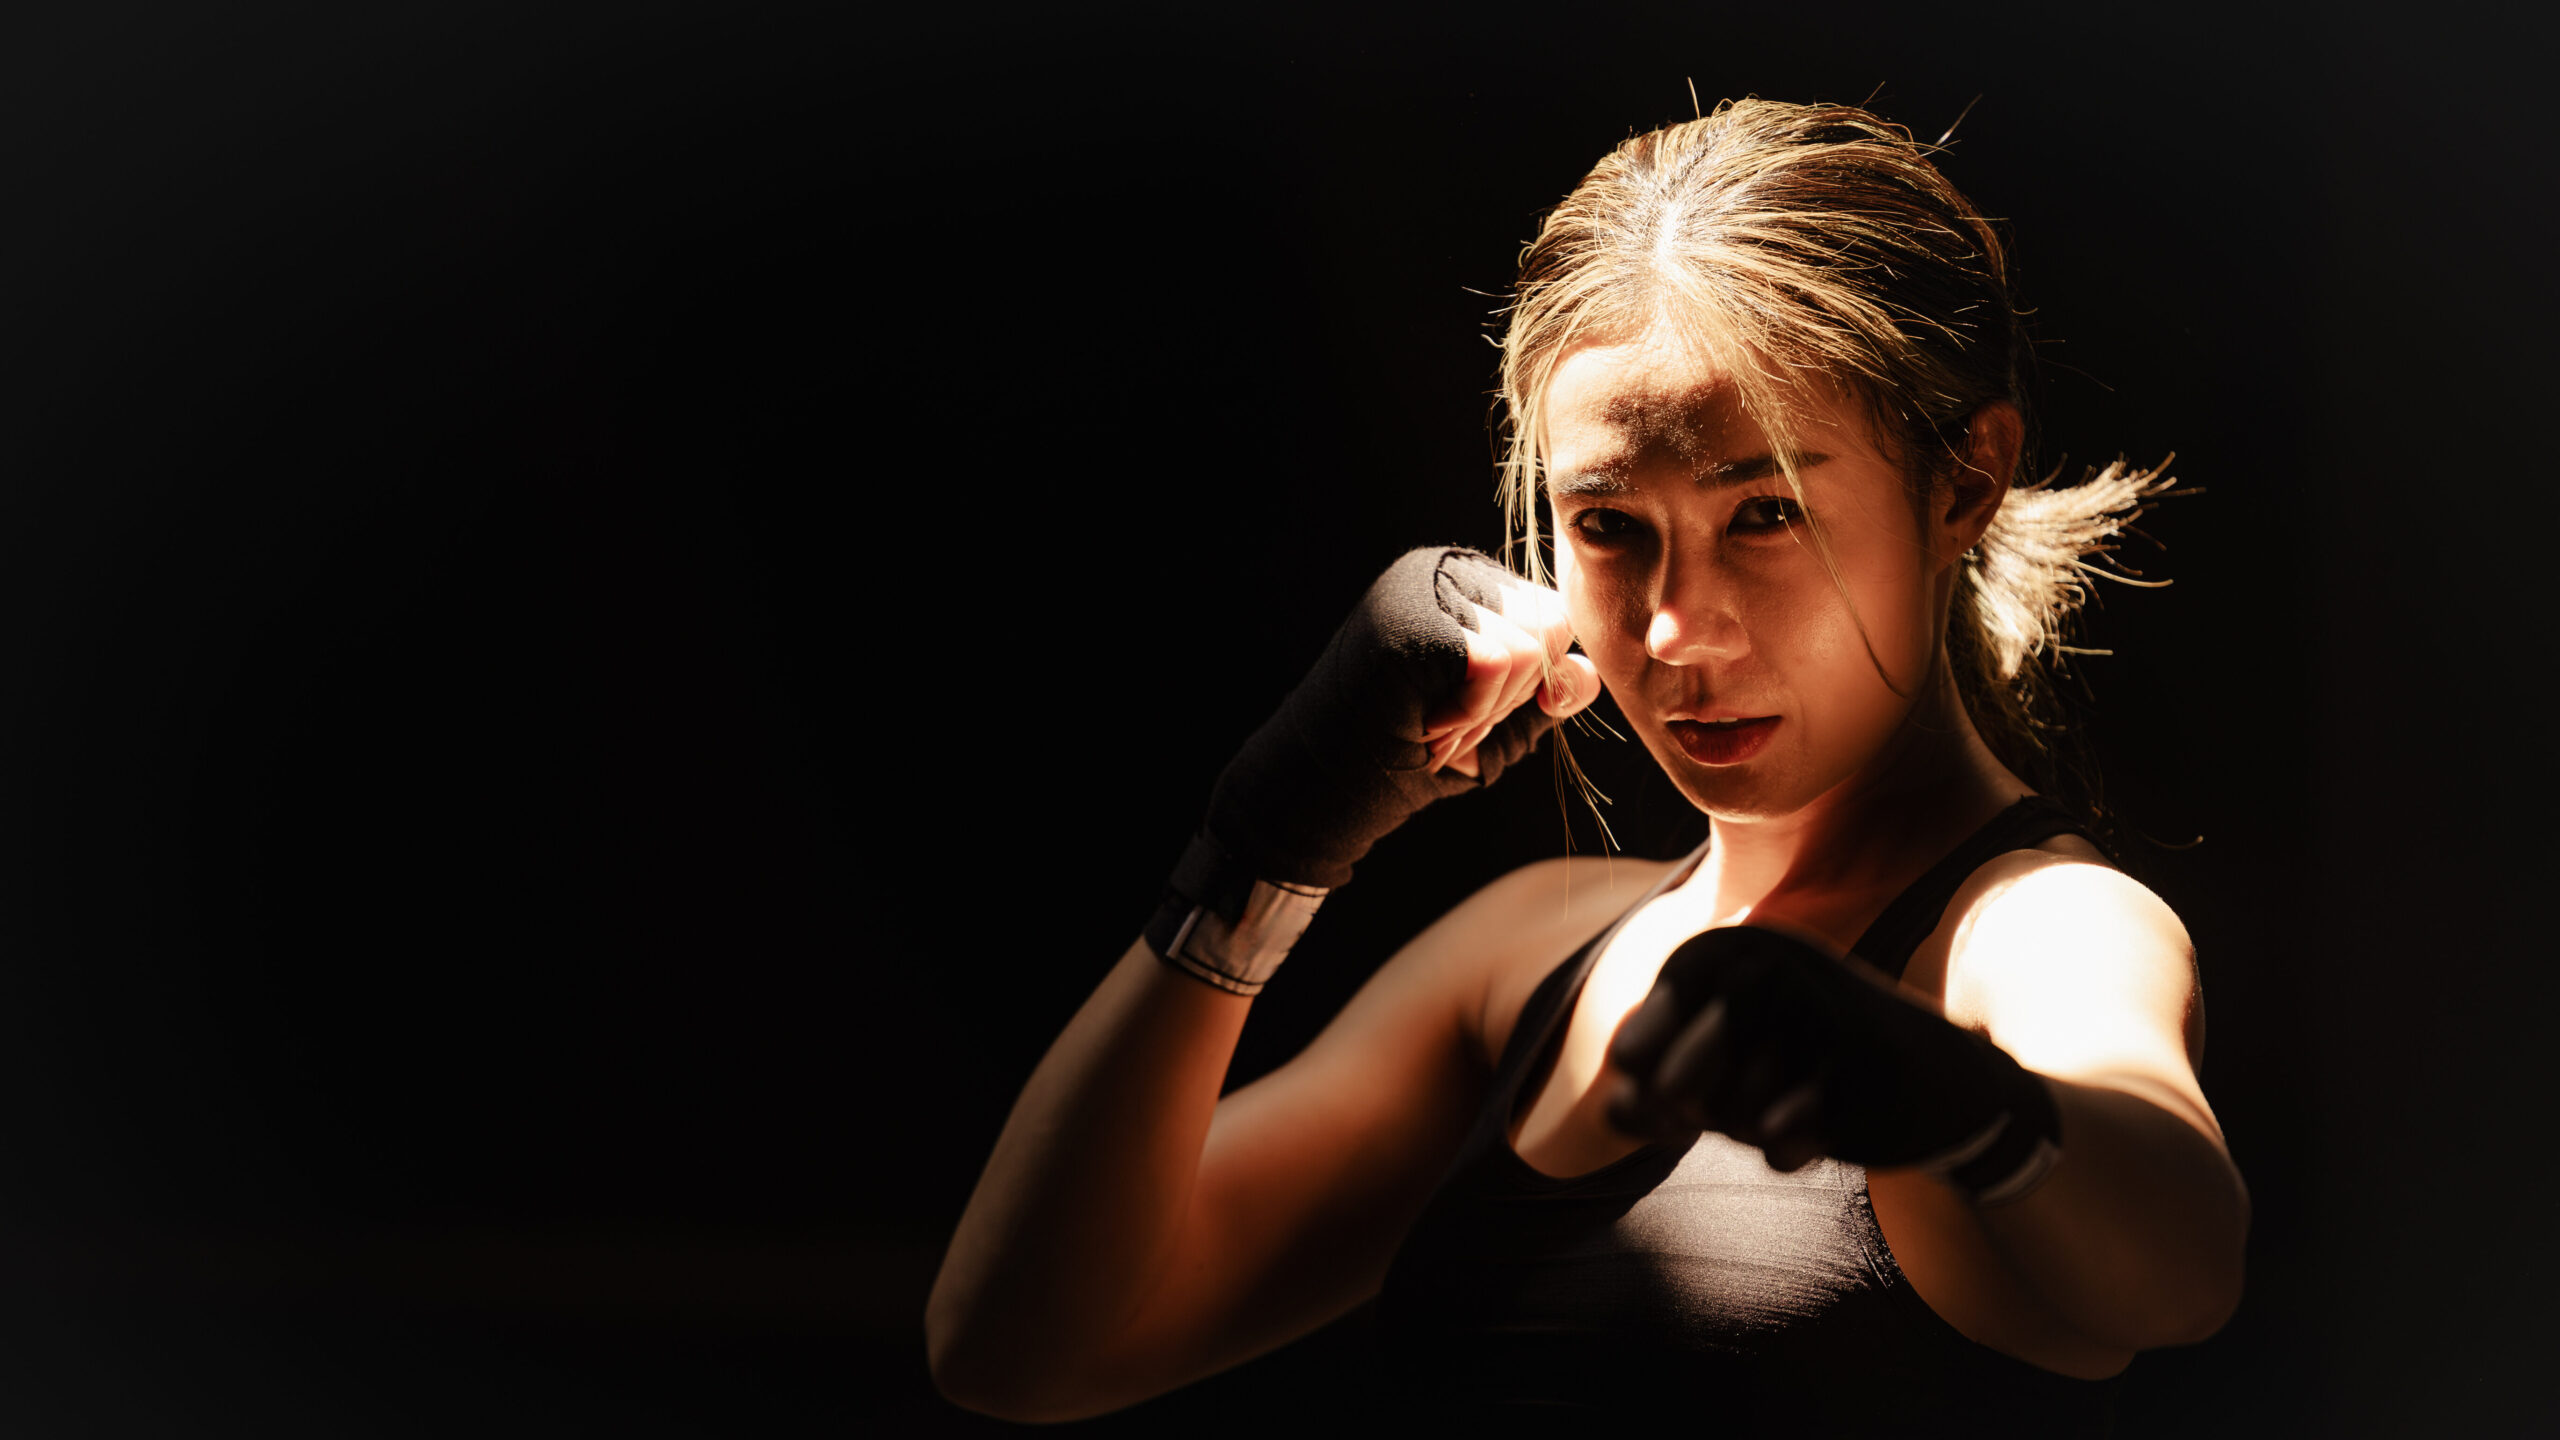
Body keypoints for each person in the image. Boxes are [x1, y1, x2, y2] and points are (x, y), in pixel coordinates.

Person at [925, 97, 2248, 1431]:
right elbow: (1017, 1347)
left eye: (1765, 512)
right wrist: (1262, 844)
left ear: (1966, 479)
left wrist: (1968, 1109)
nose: (1677, 629)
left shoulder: (2035, 929)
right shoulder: (1529, 959)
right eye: (1611, 525)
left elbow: (2181, 1270)